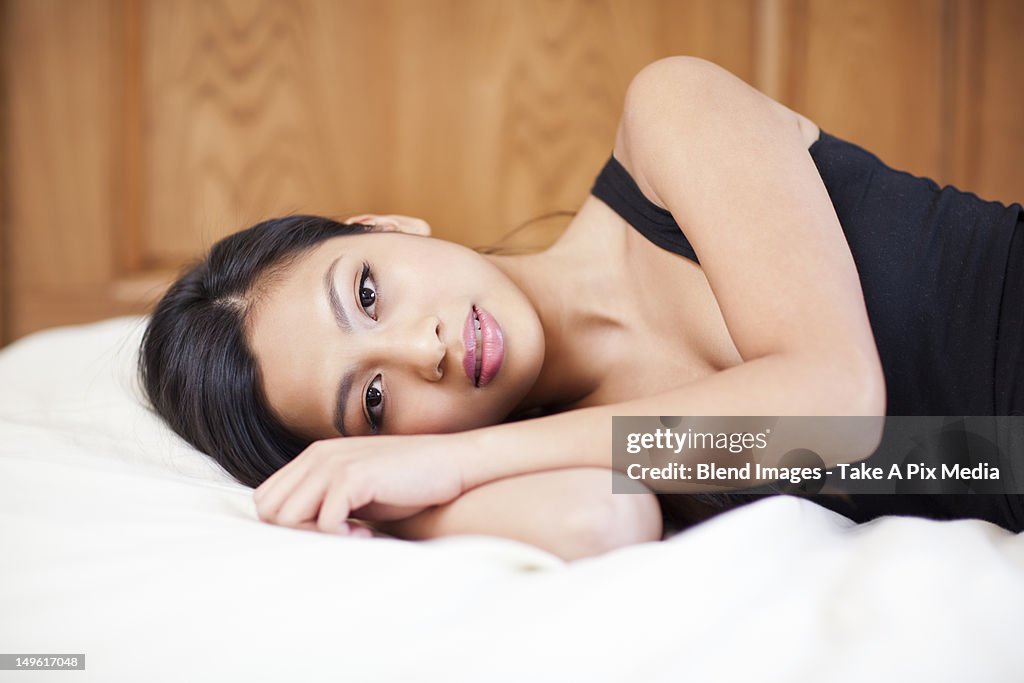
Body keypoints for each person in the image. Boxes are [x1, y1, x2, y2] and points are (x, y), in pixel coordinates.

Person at [139, 56, 1024, 560]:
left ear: (386, 224)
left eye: (368, 291)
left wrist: (457, 460)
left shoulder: (669, 116)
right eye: (372, 401)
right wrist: (401, 498)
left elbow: (836, 407)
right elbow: (601, 521)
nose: (424, 349)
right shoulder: (558, 452)